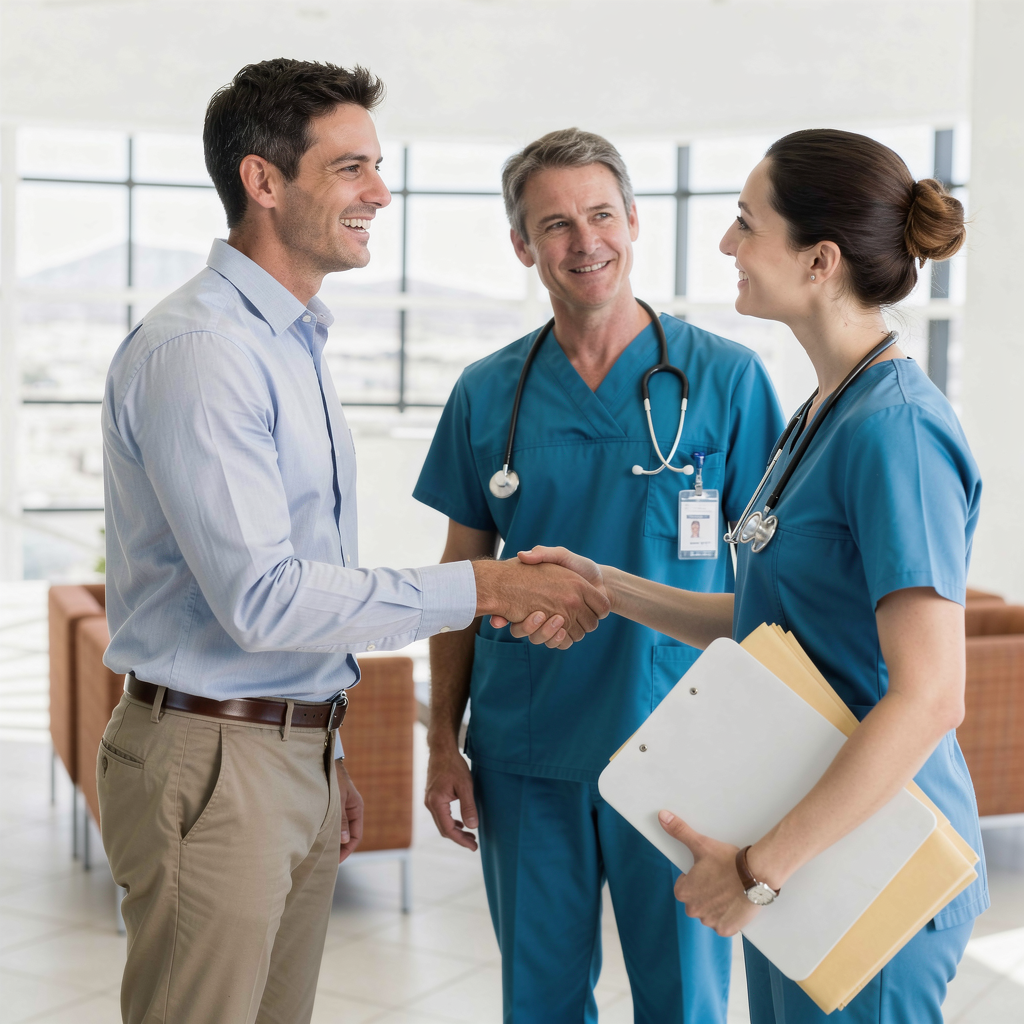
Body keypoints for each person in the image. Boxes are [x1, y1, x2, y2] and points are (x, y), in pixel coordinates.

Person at [96, 60, 609, 1024]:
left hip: (277, 748)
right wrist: (487, 590)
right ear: (263, 180)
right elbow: (268, 598)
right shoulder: (204, 351)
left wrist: (316, 753)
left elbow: (301, 588)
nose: (380, 191)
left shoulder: (290, 342)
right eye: (351, 169)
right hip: (216, 759)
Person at [510, 129, 988, 1023]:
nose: (727, 243)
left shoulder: (897, 434)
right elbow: (771, 623)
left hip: (871, 856)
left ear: (819, 259)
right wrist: (606, 586)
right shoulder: (822, 412)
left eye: (745, 222)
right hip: (803, 846)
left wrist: (759, 872)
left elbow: (929, 698)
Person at [414, 128, 785, 1024]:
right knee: (538, 1001)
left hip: (686, 751)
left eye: (601, 215)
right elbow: (460, 580)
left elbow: (779, 587)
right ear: (521, 245)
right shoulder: (486, 392)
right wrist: (440, 742)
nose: (585, 242)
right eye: (555, 224)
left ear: (634, 221)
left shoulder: (726, 380)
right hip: (527, 748)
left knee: (685, 1002)